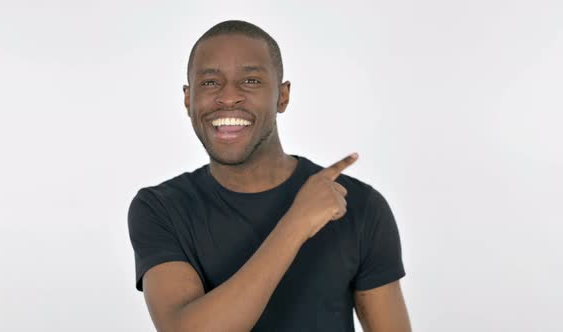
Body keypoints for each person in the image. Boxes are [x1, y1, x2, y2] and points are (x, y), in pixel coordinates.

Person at [128, 19, 411, 332]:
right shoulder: (161, 209)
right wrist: (296, 223)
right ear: (188, 99)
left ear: (283, 96)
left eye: (250, 81)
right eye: (210, 83)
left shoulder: (356, 204)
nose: (228, 97)